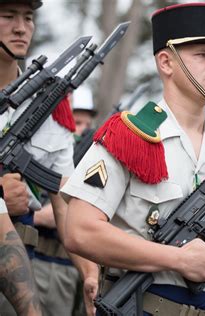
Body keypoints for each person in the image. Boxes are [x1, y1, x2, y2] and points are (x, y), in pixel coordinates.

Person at [61, 3, 205, 315]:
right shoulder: (131, 137)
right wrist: (176, 259)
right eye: (203, 55)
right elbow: (80, 230)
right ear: (166, 62)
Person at [0, 0, 98, 314]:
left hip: (22, 265)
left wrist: (90, 272)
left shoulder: (48, 106)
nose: (21, 28)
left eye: (28, 18)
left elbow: (65, 200)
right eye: (8, 16)